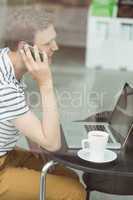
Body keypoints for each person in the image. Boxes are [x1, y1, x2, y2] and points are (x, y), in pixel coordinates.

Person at [0, 2, 87, 200]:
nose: (55, 47)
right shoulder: (4, 86)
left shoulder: (6, 60)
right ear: (24, 48)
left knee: (69, 175)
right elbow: (53, 144)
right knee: (74, 192)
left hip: (6, 152)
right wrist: (46, 82)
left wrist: (33, 142)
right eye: (48, 43)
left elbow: (16, 110)